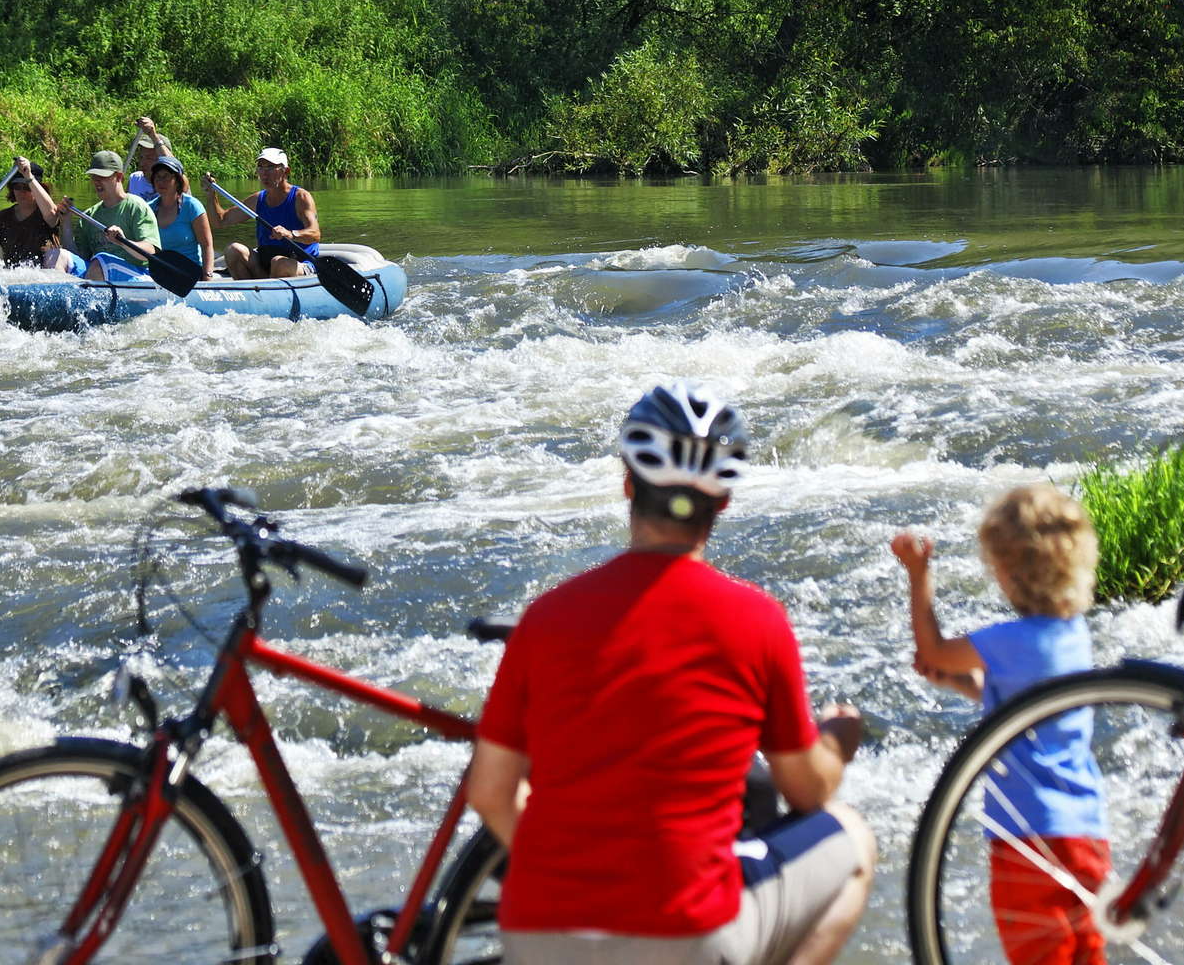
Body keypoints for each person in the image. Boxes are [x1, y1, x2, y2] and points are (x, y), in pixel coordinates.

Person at [468, 381, 876, 965]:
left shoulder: (547, 616)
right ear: (725, 502)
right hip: (685, 935)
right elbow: (806, 790)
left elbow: (489, 792)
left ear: (628, 484)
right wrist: (837, 739)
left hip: (539, 934)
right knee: (851, 833)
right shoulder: (756, 621)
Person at [891, 483, 1107, 965]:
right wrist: (965, 684)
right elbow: (1026, 707)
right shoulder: (1073, 635)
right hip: (1087, 833)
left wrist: (918, 573)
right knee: (1083, 954)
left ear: (1008, 573)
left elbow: (932, 650)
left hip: (1028, 839)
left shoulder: (1011, 639)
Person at [202, 146, 320, 280]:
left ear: (286, 171)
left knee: (279, 263)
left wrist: (291, 234)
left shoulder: (301, 197)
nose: (264, 173)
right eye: (261, 167)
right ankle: (250, 294)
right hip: (266, 264)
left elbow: (315, 234)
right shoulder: (258, 199)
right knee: (233, 250)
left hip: (299, 263)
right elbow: (220, 221)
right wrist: (211, 195)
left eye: (270, 167)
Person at [46, 150, 161, 282]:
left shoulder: (136, 206)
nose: (96, 181)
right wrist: (65, 222)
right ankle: (59, 299)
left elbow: (150, 252)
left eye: (102, 176)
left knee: (101, 262)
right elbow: (78, 256)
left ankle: (89, 298)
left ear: (119, 177)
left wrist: (123, 242)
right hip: (100, 270)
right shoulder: (90, 214)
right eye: (94, 177)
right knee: (55, 255)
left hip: (137, 274)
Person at [147, 153, 215, 281]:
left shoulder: (192, 206)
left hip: (190, 274)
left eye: (166, 177)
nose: (161, 182)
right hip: (161, 274)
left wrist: (207, 278)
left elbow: (207, 245)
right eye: (157, 177)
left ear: (177, 180)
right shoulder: (149, 209)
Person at [125, 115, 172, 201]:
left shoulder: (175, 184)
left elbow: (172, 164)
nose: (142, 163)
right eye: (141, 157)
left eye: (149, 158)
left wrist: (152, 135)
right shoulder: (134, 179)